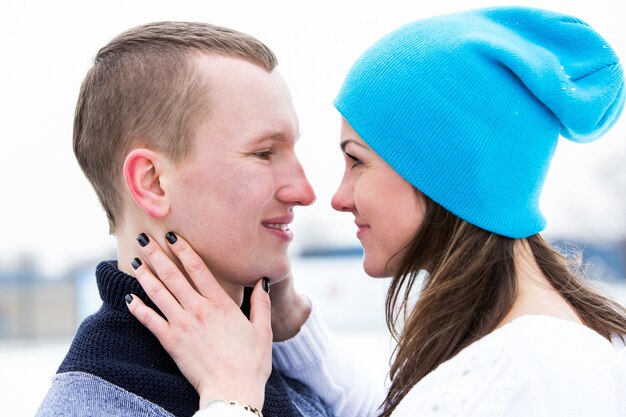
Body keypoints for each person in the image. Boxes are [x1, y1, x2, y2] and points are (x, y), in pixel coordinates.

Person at [125, 6, 626, 417]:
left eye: (356, 161)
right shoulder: (568, 348)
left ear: (439, 173)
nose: (336, 197)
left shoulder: (495, 386)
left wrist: (230, 396)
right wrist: (294, 323)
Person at [35, 20, 343, 417]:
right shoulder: (90, 405)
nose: (304, 191)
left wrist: (291, 329)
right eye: (264, 153)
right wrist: (233, 402)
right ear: (153, 183)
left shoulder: (274, 363)